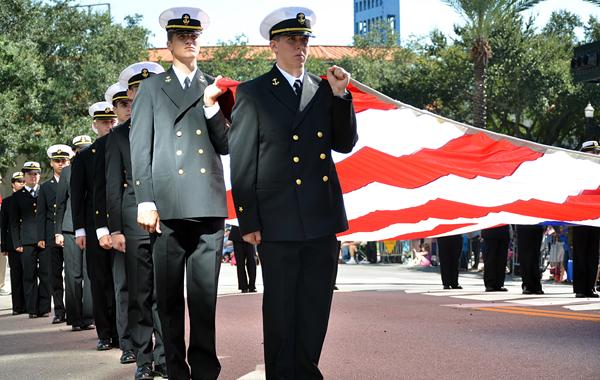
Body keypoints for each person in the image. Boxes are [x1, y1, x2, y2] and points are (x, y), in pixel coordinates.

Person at [229, 7, 358, 379]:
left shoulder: (323, 89)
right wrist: (247, 219)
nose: (300, 46)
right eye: (291, 40)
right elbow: (242, 160)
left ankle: (306, 371)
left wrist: (341, 96)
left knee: (316, 304)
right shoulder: (253, 92)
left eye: (304, 40)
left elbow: (345, 143)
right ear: (274, 46)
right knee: (282, 306)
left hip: (320, 214)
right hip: (277, 217)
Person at [130, 7, 230, 379]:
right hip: (168, 206)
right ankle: (175, 369)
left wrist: (209, 108)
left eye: (195, 36)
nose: (191, 41)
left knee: (204, 300)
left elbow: (225, 144)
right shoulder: (153, 88)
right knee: (169, 301)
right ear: (169, 44)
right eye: (183, 36)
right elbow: (141, 147)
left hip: (206, 204)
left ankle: (205, 371)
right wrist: (145, 198)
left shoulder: (214, 86)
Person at [107, 61, 167, 380]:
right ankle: (144, 359)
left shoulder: (171, 124)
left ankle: (165, 358)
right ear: (129, 94)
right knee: (141, 293)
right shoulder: (118, 136)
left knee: (166, 293)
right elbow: (113, 187)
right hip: (134, 223)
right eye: (135, 89)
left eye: (148, 86)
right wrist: (115, 228)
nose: (142, 93)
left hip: (169, 216)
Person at [71, 102, 118, 351]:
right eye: (104, 122)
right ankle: (105, 333)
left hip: (120, 221)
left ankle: (122, 330)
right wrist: (79, 229)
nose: (109, 125)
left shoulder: (122, 144)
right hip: (93, 224)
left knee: (121, 280)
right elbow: (78, 195)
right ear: (95, 125)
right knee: (99, 280)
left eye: (112, 121)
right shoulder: (84, 157)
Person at [94, 84, 136, 365]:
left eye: (130, 103)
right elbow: (102, 189)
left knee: (155, 288)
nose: (128, 108)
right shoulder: (106, 144)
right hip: (121, 221)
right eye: (122, 105)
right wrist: (105, 228)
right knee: (123, 287)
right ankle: (128, 343)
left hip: (152, 220)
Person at [55, 135, 95, 331]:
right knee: (73, 274)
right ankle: (74, 317)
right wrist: (58, 232)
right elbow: (60, 204)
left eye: (86, 148)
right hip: (70, 228)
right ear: (75, 152)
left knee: (90, 274)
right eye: (79, 149)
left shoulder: (98, 166)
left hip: (92, 227)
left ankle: (89, 316)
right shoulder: (67, 171)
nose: (83, 152)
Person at [9, 161, 51, 318]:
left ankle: (44, 307)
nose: (33, 177)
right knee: (29, 275)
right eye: (30, 174)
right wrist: (16, 243)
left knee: (46, 274)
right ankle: (32, 309)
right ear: (24, 175)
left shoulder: (44, 191)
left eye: (36, 174)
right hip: (26, 241)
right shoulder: (17, 196)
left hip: (45, 239)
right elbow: (13, 223)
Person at [36, 144, 71, 324]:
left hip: (70, 232)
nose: (61, 164)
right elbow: (41, 214)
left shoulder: (74, 180)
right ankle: (59, 311)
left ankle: (74, 310)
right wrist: (41, 237)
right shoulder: (45, 187)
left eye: (64, 160)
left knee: (73, 275)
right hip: (51, 236)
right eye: (57, 161)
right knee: (55, 275)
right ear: (51, 163)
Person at [571, 140, 600, 298]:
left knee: (593, 253)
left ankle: (590, 286)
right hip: (580, 216)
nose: (595, 155)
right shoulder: (577, 171)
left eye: (596, 152)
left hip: (596, 216)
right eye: (592, 152)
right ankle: (580, 288)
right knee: (581, 253)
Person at [1, 172, 26, 314]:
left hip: (27, 241)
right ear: (12, 183)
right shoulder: (7, 202)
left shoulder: (30, 198)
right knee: (16, 275)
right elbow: (3, 225)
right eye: (18, 181)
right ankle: (17, 306)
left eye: (23, 181)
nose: (21, 183)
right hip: (12, 244)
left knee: (28, 274)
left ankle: (28, 304)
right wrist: (3, 245)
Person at [481, 225, 511, 292]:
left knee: (502, 260)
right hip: (490, 232)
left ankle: (499, 284)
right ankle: (489, 284)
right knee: (490, 259)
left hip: (503, 232)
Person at [229, 225, 257, 293]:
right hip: (237, 234)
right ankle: (243, 286)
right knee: (240, 263)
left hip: (249, 232)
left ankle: (252, 285)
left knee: (252, 261)